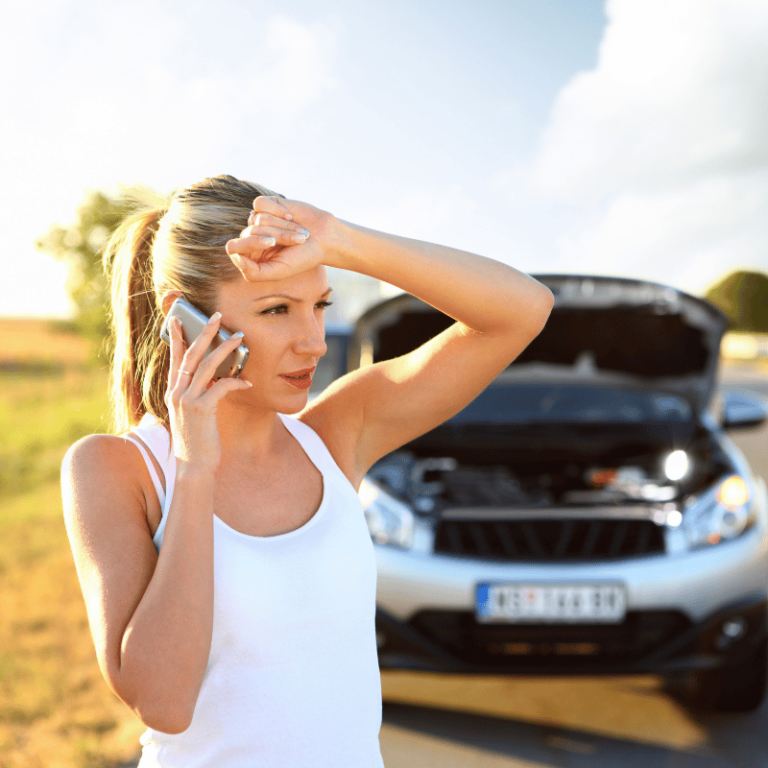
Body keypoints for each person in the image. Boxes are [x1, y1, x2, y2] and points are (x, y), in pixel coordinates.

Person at [61, 174, 554, 767]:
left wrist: (339, 239)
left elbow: (523, 309)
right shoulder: (117, 469)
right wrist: (195, 467)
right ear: (185, 319)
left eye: (319, 305)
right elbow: (164, 704)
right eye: (276, 310)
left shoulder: (337, 432)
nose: (314, 342)